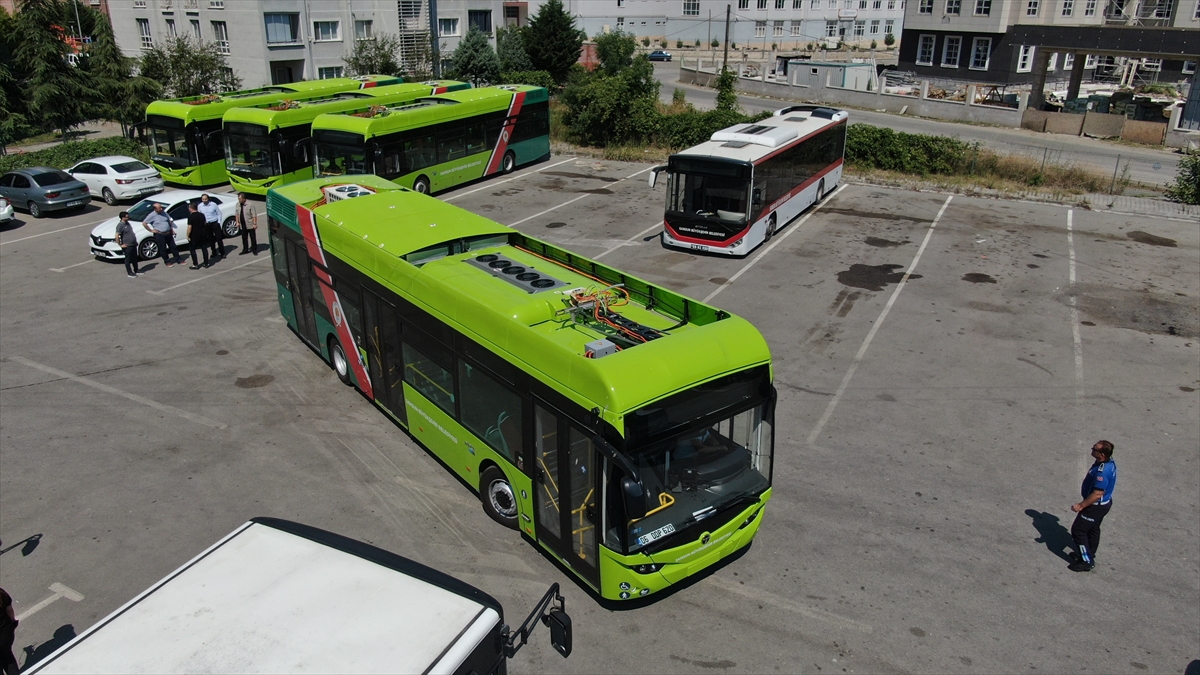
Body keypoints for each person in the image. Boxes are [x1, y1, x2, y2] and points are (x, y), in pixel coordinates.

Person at [1069, 440, 1117, 572]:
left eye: (1094, 449)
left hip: (1095, 506)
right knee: (1093, 529)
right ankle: (1089, 553)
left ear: (1101, 454)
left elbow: (1097, 493)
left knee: (1078, 531)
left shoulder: (1102, 472)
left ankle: (1086, 561)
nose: (1092, 449)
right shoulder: (1108, 462)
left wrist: (1081, 505)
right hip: (1103, 504)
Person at [142, 202, 181, 267]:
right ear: (155, 209)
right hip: (160, 234)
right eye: (160, 208)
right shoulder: (152, 215)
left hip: (168, 233)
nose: (161, 209)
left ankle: (178, 259)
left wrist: (171, 229)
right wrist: (151, 230)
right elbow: (144, 223)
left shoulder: (164, 213)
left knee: (173, 247)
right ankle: (167, 261)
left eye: (161, 207)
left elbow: (169, 220)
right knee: (163, 249)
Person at [197, 193, 223, 260]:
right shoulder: (200, 206)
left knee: (219, 238)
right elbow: (199, 215)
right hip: (207, 225)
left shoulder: (213, 204)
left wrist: (218, 222)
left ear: (208, 199)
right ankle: (214, 252)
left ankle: (222, 252)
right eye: (203, 199)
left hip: (214, 223)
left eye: (206, 199)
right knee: (211, 239)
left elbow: (219, 213)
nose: (204, 200)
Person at [115, 211, 141, 278]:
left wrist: (135, 241)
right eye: (127, 217)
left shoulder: (127, 223)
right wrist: (120, 245)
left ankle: (136, 270)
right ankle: (129, 273)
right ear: (123, 218)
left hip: (133, 244)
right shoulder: (120, 226)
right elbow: (117, 236)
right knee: (128, 260)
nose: (128, 217)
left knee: (135, 258)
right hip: (127, 246)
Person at [186, 202, 210, 270]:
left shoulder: (190, 216)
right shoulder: (202, 215)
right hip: (203, 234)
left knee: (192, 249)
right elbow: (205, 223)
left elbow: (190, 227)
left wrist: (187, 235)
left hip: (194, 236)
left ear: (191, 208)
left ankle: (195, 264)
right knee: (204, 249)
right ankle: (206, 263)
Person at [1, 586, 18, 675]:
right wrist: (13, 623)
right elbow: (10, 611)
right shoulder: (1, 593)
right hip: (6, 634)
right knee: (7, 656)